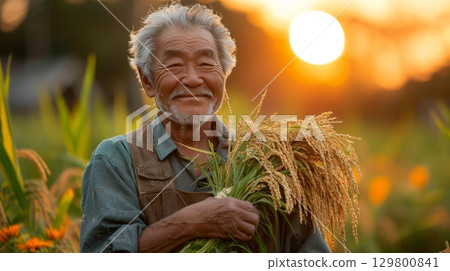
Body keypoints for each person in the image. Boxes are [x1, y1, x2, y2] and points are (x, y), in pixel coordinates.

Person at [80, 3, 330, 253]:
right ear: (148, 82)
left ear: (223, 75)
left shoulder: (269, 162)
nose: (192, 78)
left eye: (206, 64)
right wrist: (195, 222)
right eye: (174, 65)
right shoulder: (116, 159)